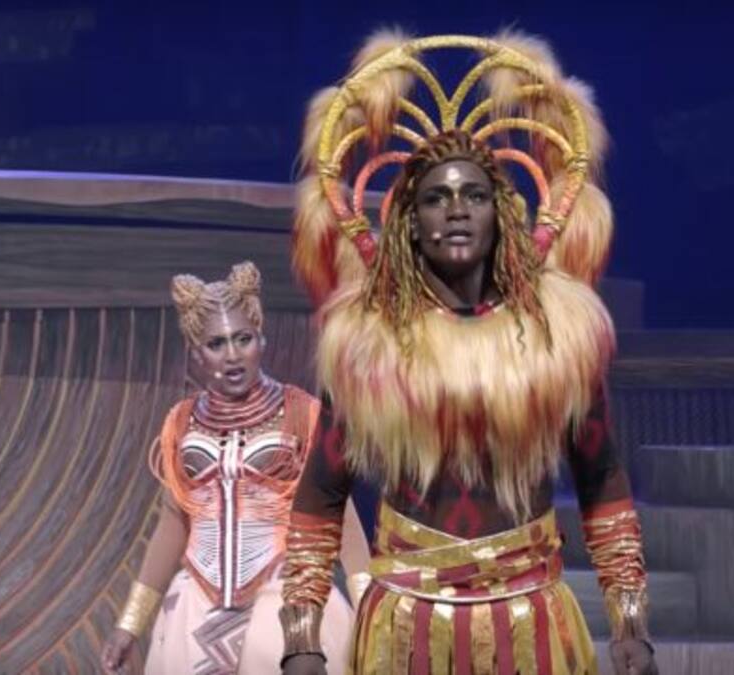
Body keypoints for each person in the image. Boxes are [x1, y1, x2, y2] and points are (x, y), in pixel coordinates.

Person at [278, 32, 658, 674]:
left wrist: (630, 622)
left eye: (474, 195)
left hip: (531, 626)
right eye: (436, 197)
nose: (456, 211)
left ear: (501, 212)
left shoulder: (558, 340)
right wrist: (300, 637)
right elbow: (321, 495)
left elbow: (601, 480)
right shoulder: (366, 348)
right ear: (409, 220)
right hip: (406, 631)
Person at [100, 262, 367, 674]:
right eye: (216, 344)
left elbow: (338, 517)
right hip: (196, 606)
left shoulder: (303, 415)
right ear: (196, 353)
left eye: (243, 339)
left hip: (285, 597)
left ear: (262, 339)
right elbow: (173, 522)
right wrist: (129, 624)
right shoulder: (181, 422)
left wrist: (369, 608)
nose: (232, 355)